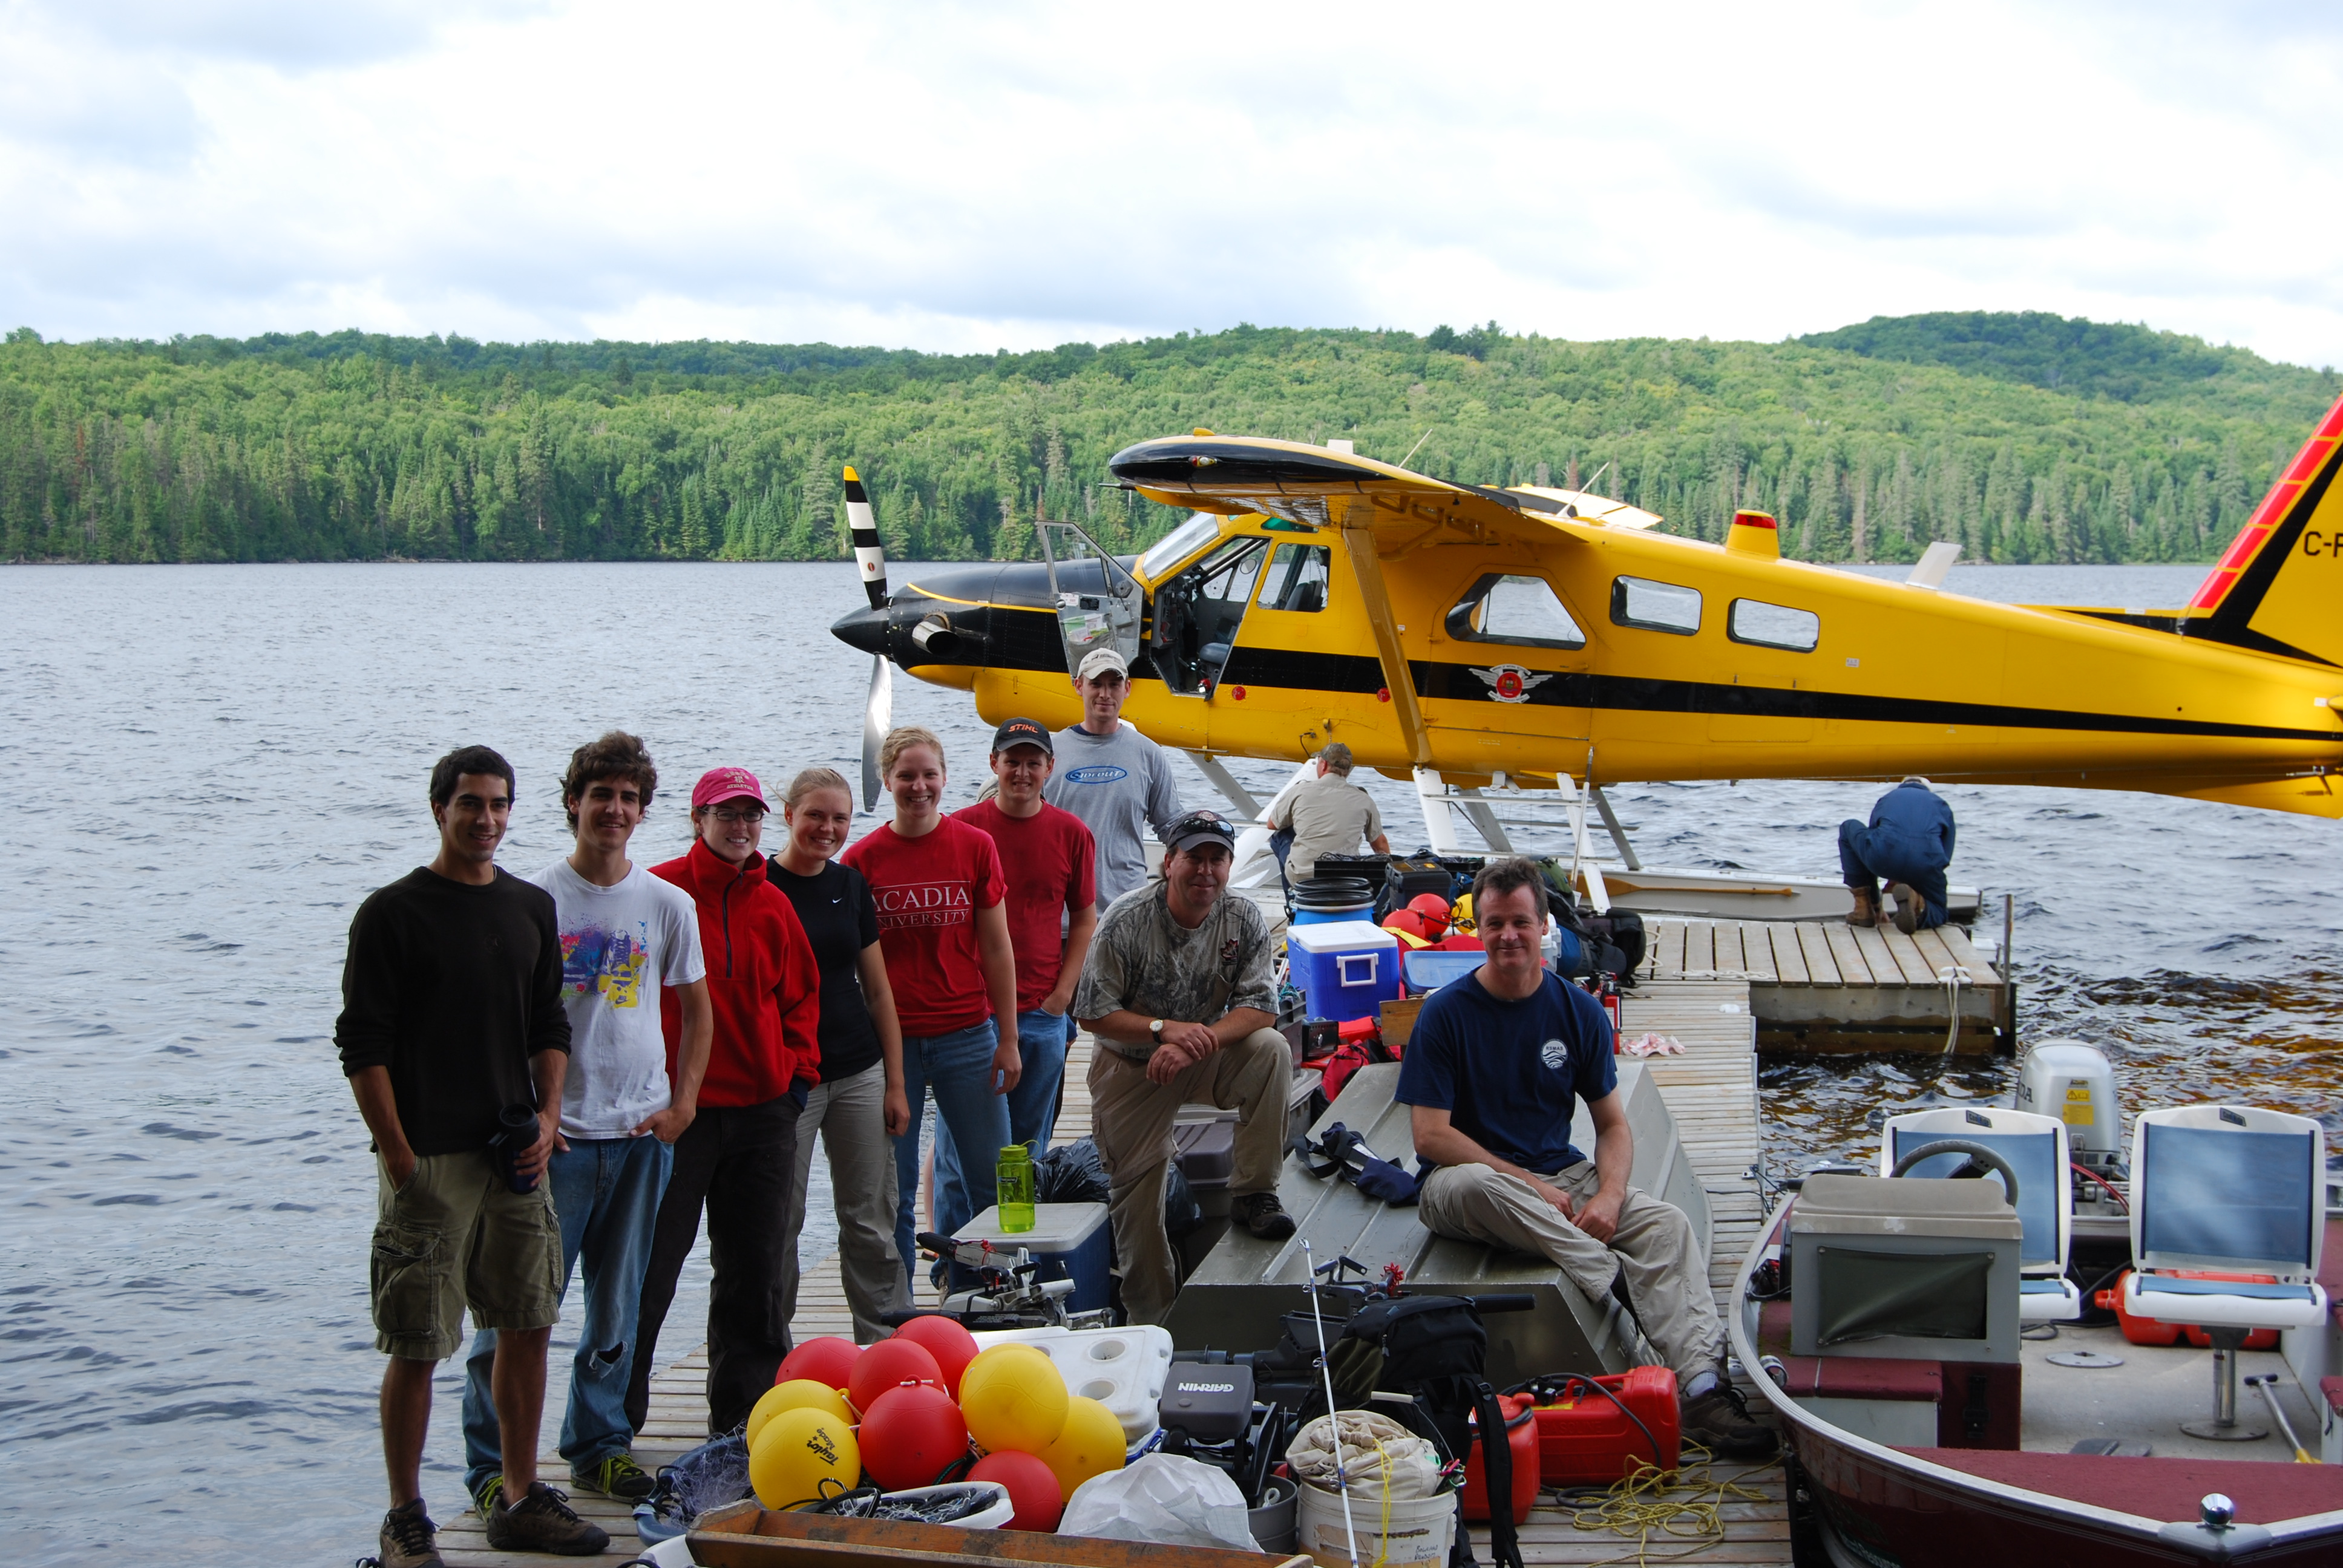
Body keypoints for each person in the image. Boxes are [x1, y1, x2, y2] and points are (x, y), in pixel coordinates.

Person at [1397, 856, 1774, 1460]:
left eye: (1519, 922)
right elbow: (1429, 1137)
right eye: (1493, 924)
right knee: (1474, 1184)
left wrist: (1609, 1196)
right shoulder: (1445, 1013)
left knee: (1665, 1225)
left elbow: (1612, 1125)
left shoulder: (1576, 1012)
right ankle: (1615, 1286)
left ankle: (1703, 1391)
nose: (1507, 936)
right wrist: (1528, 1185)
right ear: (1478, 929)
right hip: (1470, 1183)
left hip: (1559, 1176)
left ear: (1545, 926)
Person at [336, 745, 608, 1567]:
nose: (485, 820)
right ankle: (405, 1517)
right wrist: (399, 1158)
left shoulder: (527, 909)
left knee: (528, 1324)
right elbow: (363, 1045)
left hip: (516, 1156)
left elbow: (548, 1026)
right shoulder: (392, 914)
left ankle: (522, 1497)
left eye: (498, 805)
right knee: (419, 1343)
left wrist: (548, 1115)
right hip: (431, 1163)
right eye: (470, 805)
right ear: (439, 809)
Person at [457, 734, 711, 1518]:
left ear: (642, 811)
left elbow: (697, 1011)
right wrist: (533, 1113)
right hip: (554, 1142)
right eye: (601, 795)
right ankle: (494, 1464)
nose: (615, 811)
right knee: (515, 1311)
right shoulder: (533, 899)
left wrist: (684, 1105)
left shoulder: (668, 905)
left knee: (618, 1305)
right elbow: (497, 1022)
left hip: (640, 1135)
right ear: (574, 802)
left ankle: (598, 1446)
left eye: (630, 799)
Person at [628, 767, 822, 1437]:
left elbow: (801, 1000)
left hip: (763, 1115)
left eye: (750, 817)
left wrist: (796, 1082)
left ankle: (741, 1420)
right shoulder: (656, 892)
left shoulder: (773, 904)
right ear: (697, 819)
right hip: (676, 1118)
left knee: (754, 1274)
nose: (739, 828)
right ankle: (611, 1424)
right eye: (725, 815)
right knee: (648, 1273)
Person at [1075, 809, 1297, 1325]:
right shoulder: (1126, 921)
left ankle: (1254, 1192)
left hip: (1199, 1055)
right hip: (1131, 1067)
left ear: (1229, 865)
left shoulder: (1241, 917)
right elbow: (1091, 1013)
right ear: (1168, 862)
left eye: (1217, 859)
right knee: (1138, 1197)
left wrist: (1196, 1042)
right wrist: (1162, 1030)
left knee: (1271, 1050)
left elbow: (1263, 1006)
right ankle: (1153, 1321)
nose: (1205, 870)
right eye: (1193, 857)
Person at [842, 726, 1021, 1281]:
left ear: (944, 778)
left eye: (929, 776)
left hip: (968, 1035)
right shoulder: (861, 860)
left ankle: (990, 1287)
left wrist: (1009, 1038)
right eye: (906, 777)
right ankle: (894, 1305)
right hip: (889, 1046)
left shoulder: (974, 846)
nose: (918, 787)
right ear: (886, 780)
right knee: (889, 1188)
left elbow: (996, 947)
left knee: (991, 1180)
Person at [768, 766, 916, 1343]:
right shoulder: (759, 885)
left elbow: (878, 991)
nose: (827, 829)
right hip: (788, 1080)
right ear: (789, 816)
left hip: (859, 1069)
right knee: (780, 1221)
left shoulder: (849, 885)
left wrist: (896, 1083)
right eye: (815, 816)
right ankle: (769, 1350)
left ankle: (887, 1345)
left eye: (839, 819)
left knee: (871, 1219)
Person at [948, 717, 1099, 1155]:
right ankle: (953, 1227)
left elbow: (1084, 919)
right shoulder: (962, 829)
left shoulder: (1072, 833)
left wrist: (1061, 997)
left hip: (1041, 1011)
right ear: (994, 763)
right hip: (972, 1013)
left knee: (1029, 1143)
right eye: (1012, 761)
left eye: (1033, 763)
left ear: (1049, 767)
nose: (1022, 773)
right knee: (961, 1147)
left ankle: (1021, 1224)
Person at [1044, 647, 1185, 909]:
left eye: (1114, 684)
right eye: (1096, 684)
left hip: (1127, 908)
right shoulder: (1049, 752)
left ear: (1127, 688)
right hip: (1060, 910)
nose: (1105, 694)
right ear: (1078, 686)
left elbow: (1172, 827)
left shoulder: (1149, 754)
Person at [1840, 777, 1956, 933]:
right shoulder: (1941, 804)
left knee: (1849, 828)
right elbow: (1945, 856)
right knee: (1939, 912)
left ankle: (1865, 908)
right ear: (1927, 789)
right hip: (1926, 864)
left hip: (1883, 859)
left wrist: (1878, 902)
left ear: (1902, 785)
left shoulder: (1887, 798)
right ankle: (1917, 902)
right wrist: (1915, 881)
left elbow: (1874, 839)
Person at [1268, 741, 1391, 882]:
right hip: (1346, 876)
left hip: (1303, 875)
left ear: (1324, 764)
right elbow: (1380, 843)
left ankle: (1293, 897)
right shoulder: (1364, 799)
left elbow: (1272, 824)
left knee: (1279, 834)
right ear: (1347, 770)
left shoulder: (1300, 790)